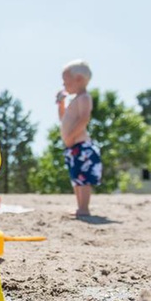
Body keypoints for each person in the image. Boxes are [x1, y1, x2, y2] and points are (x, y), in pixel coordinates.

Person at [56, 59, 101, 217]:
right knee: (76, 178)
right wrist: (61, 104)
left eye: (65, 81)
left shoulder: (84, 98)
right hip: (72, 147)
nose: (63, 85)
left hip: (81, 145)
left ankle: (84, 207)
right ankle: (79, 206)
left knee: (84, 178)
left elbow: (84, 119)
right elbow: (63, 119)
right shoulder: (73, 101)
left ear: (79, 79)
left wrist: (71, 137)